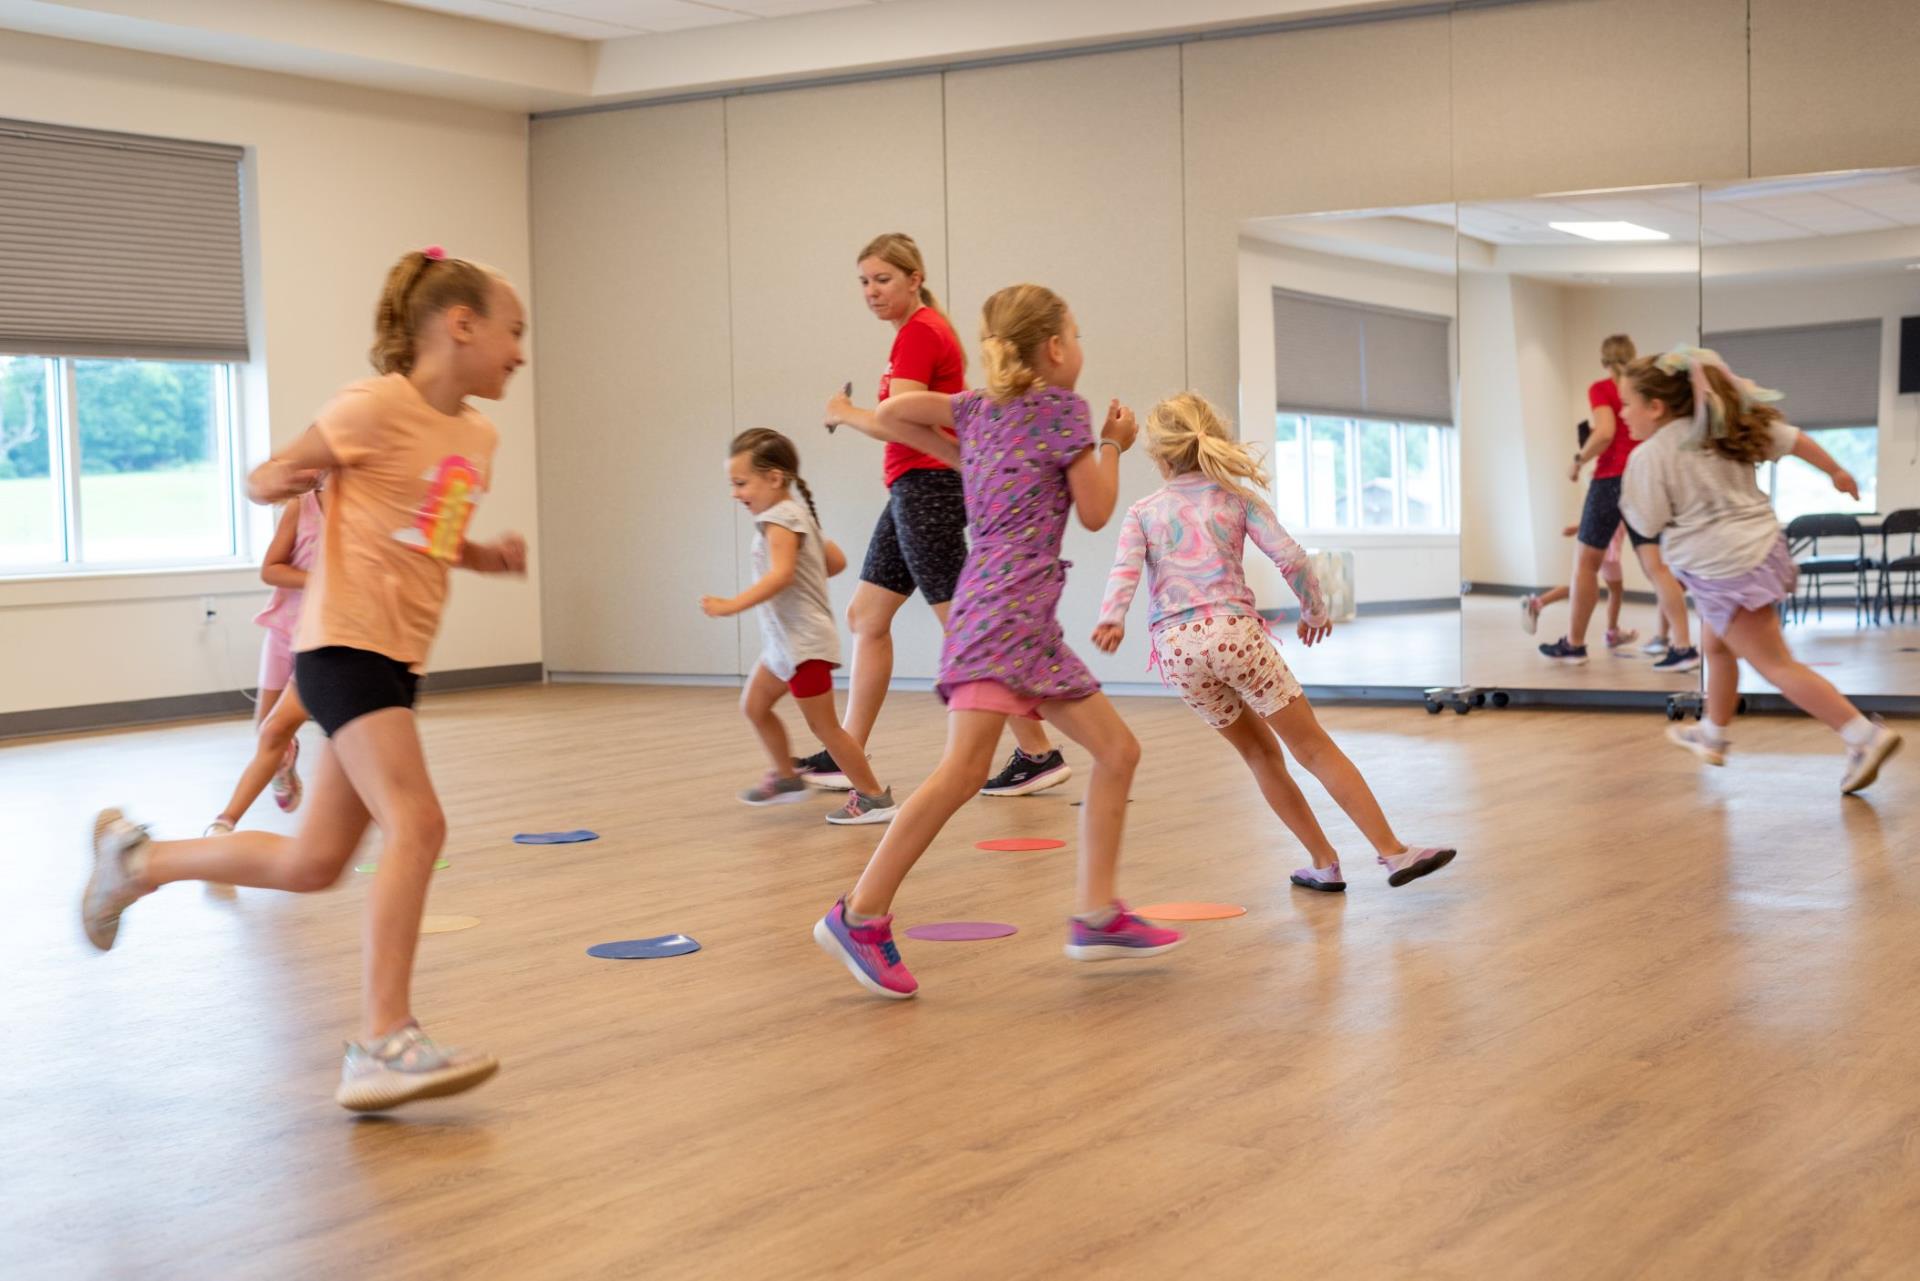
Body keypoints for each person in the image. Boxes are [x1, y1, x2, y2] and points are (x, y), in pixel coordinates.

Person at [81, 246, 529, 1110]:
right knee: (419, 823)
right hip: (342, 646)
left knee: (316, 861)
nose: (519, 352)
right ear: (460, 324)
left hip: (397, 658)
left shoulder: (477, 436)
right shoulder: (372, 406)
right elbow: (269, 474)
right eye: (514, 331)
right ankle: (384, 1040)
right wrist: (275, 479)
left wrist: (486, 556)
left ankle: (140, 861)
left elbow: (433, 535)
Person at [813, 284, 1180, 999]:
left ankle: (1097, 914)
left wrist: (951, 443)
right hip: (1007, 616)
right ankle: (858, 914)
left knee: (1117, 750)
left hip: (1013, 618)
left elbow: (890, 414)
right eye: (1076, 335)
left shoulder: (978, 410)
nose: (1079, 348)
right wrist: (1112, 443)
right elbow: (1097, 510)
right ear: (1055, 349)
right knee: (961, 771)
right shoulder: (1063, 412)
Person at [1096, 392, 1456, 894]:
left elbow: (1125, 570)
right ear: (1212, 440)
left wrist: (1111, 618)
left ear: (1158, 455)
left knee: (1259, 755)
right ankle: (1393, 852)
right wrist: (1314, 609)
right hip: (1235, 636)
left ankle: (1323, 864)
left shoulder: (1143, 512)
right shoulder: (1237, 499)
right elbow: (1292, 558)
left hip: (1176, 650)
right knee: (1313, 747)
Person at [812, 233, 1071, 798]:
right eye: (864, 281)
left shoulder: (920, 332)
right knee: (866, 616)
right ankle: (844, 752)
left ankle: (1038, 750)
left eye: (883, 279)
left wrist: (844, 412)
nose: (871, 291)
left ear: (914, 278)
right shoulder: (915, 333)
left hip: (927, 489)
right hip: (912, 487)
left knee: (967, 625)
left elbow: (895, 420)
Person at [1621, 347, 1901, 793]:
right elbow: (1792, 439)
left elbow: (1649, 522)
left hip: (1724, 570)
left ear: (1655, 407)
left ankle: (1862, 736)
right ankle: (1712, 734)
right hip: (1761, 551)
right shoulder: (1723, 426)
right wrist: (1836, 471)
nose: (1623, 414)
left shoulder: (1651, 455)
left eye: (1627, 404)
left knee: (1775, 664)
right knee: (1715, 647)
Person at [702, 428, 898, 825]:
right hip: (784, 644)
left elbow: (782, 575)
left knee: (825, 727)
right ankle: (788, 777)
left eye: (741, 483)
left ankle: (874, 797)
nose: (735, 493)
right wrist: (807, 574)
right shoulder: (796, 514)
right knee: (755, 706)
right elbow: (836, 561)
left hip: (804, 644)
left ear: (774, 478)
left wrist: (731, 605)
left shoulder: (779, 519)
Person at [1539, 335, 1699, 672]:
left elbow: (1605, 432)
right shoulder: (1642, 387)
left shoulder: (1602, 389)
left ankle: (1574, 644)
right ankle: (1683, 646)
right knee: (1656, 566)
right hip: (1645, 474)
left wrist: (1578, 460)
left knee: (1586, 564)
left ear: (1603, 360)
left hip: (1611, 478)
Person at [203, 485, 325, 855]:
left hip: (322, 641)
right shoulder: (300, 507)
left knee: (275, 731)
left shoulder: (362, 510)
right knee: (266, 730)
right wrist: (319, 580)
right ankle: (284, 763)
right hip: (283, 633)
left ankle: (225, 822)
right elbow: (271, 569)